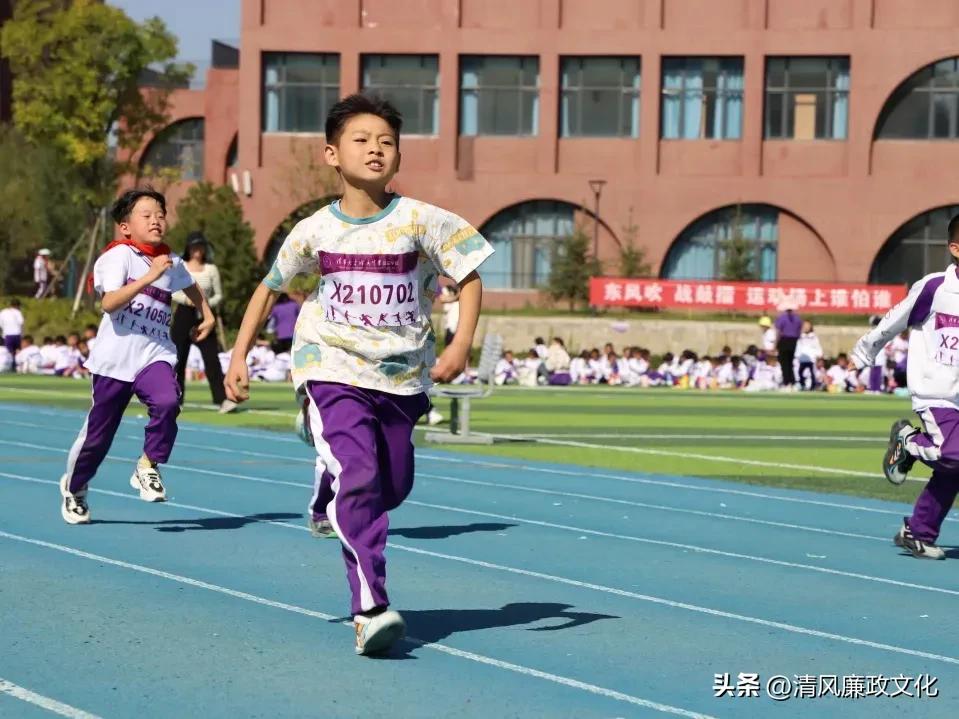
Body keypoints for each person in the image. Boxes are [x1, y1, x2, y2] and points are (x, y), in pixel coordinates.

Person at [224, 94, 493, 655]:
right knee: (363, 480)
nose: (375, 149)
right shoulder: (313, 230)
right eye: (361, 140)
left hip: (401, 377)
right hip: (331, 365)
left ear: (398, 156)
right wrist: (238, 355)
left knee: (392, 486)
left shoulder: (423, 219)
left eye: (386, 141)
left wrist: (461, 341)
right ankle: (369, 608)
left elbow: (468, 275)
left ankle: (329, 482)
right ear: (332, 154)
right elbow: (269, 287)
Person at [58, 188, 215, 526]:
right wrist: (149, 276)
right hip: (115, 358)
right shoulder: (117, 257)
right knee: (98, 437)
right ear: (125, 226)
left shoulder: (169, 260)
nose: (156, 219)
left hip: (154, 352)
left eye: (160, 213)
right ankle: (75, 487)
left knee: (168, 401)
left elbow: (188, 283)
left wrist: (207, 313)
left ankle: (147, 465)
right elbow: (109, 303)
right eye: (147, 215)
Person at [851, 214, 959, 559]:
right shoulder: (935, 288)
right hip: (936, 390)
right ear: (955, 248)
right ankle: (909, 442)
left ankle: (918, 532)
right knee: (952, 455)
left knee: (953, 469)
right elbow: (893, 321)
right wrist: (865, 350)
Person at [171, 232, 235, 413]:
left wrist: (205, 304)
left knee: (212, 359)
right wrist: (186, 300)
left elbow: (219, 295)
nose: (197, 250)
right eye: (194, 247)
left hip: (205, 317)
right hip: (184, 315)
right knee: (178, 359)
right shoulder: (180, 266)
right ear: (188, 248)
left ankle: (222, 400)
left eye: (200, 247)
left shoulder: (211, 269)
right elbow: (173, 291)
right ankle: (175, 399)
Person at [774, 301, 802, 389]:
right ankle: (792, 382)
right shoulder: (797, 319)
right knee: (790, 362)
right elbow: (799, 331)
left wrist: (775, 344)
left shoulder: (782, 318)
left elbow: (778, 332)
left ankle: (787, 382)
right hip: (793, 341)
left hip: (784, 340)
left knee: (784, 363)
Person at [796, 320, 823, 391]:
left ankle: (813, 386)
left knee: (812, 373)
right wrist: (797, 356)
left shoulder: (814, 337)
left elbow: (817, 347)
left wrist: (819, 355)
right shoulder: (800, 337)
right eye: (805, 325)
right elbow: (798, 347)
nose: (806, 327)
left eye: (808, 325)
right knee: (799, 372)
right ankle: (802, 385)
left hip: (811, 359)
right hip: (802, 359)